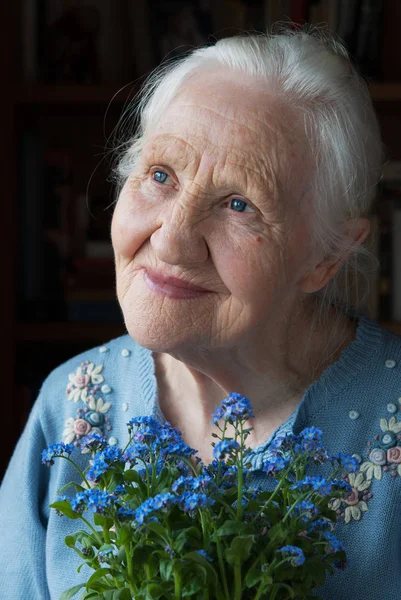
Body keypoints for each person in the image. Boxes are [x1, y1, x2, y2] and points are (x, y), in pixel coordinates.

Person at [0, 24, 399, 599]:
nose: (172, 240)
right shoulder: (70, 407)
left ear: (325, 257)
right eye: (160, 175)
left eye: (239, 204)